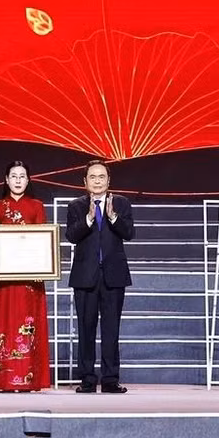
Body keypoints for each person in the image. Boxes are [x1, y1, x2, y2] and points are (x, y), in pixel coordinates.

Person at [65, 160, 134, 394]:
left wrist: (113, 217)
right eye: (92, 177)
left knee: (111, 329)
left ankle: (110, 380)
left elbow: (130, 233)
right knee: (85, 329)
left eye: (101, 176)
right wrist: (88, 219)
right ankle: (87, 379)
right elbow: (71, 236)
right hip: (85, 277)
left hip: (113, 276)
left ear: (108, 180)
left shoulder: (121, 204)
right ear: (85, 182)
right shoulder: (76, 206)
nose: (97, 180)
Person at [0, 161, 50, 392]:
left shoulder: (36, 206)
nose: (18, 180)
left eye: (22, 176)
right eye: (14, 176)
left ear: (28, 180)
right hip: (5, 279)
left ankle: (29, 377)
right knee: (5, 322)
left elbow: (43, 240)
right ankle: (3, 379)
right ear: (6, 179)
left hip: (29, 280)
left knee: (28, 323)